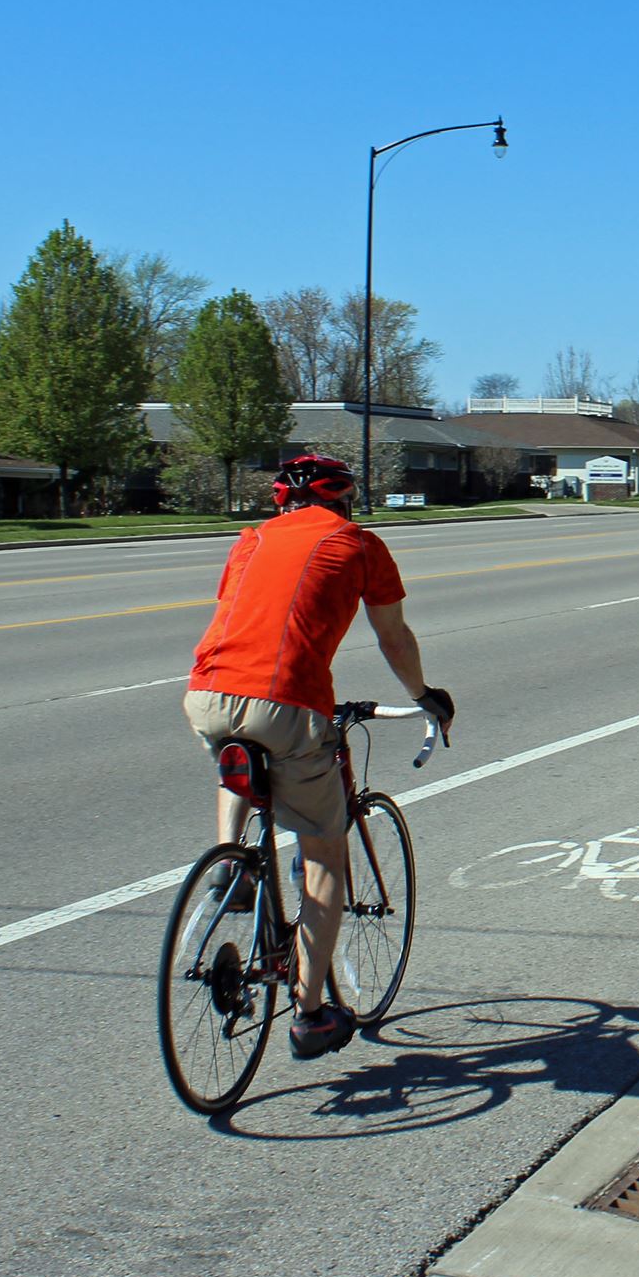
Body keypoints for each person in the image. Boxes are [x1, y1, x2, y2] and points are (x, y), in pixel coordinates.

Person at [182, 453, 455, 1061]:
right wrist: (423, 695)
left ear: (283, 501)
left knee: (239, 752)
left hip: (206, 695)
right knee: (324, 856)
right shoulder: (358, 545)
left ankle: (235, 866)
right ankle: (310, 1015)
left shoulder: (249, 540)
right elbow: (392, 636)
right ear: (343, 501)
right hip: (287, 704)